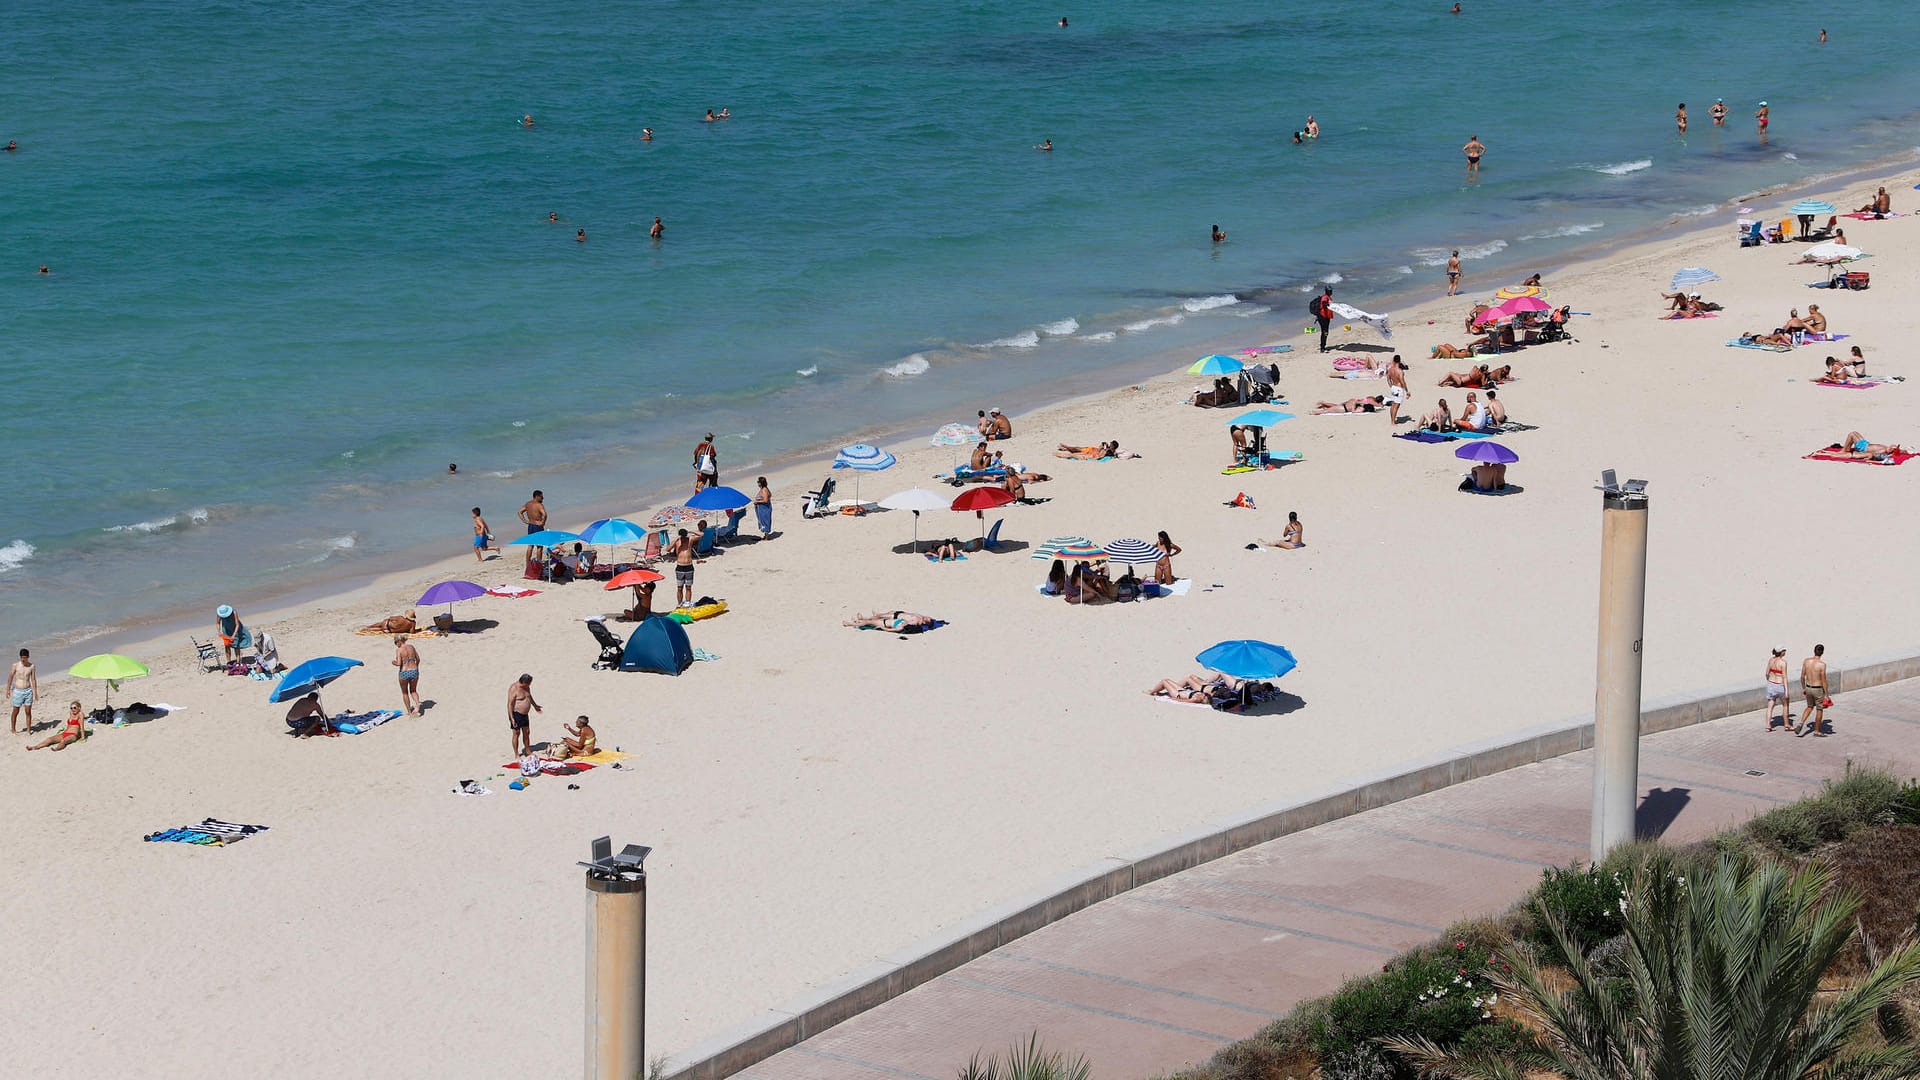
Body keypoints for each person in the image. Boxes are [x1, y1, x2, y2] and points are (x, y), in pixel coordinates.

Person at [507, 674, 542, 756]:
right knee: (517, 733)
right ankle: (516, 754)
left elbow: (529, 697)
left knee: (527, 732)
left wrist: (535, 706)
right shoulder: (514, 688)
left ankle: (528, 750)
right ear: (523, 682)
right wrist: (512, 718)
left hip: (525, 714)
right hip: (516, 714)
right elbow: (510, 704)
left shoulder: (526, 687)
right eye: (529, 683)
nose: (530, 685)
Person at [1796, 645, 1828, 736]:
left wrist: (1803, 688)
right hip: (1817, 689)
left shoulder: (1806, 661)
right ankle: (1817, 731)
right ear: (1822, 652)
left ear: (1814, 651)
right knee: (1819, 709)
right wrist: (1826, 694)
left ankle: (1801, 723)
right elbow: (1824, 681)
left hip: (1808, 687)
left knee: (1809, 707)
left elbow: (1802, 676)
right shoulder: (1822, 665)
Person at [1765, 648, 1793, 731]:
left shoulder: (1771, 660)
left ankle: (1768, 725)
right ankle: (1787, 725)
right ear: (1781, 652)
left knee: (1770, 706)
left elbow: (1767, 673)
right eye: (1784, 650)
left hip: (1771, 684)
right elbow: (1784, 677)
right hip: (1780, 685)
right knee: (1785, 705)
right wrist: (1787, 691)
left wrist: (1769, 681)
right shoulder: (1783, 663)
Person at [394, 634, 422, 716]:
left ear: (399, 641)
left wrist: (394, 662)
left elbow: (399, 663)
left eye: (395, 642)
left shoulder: (399, 650)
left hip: (404, 672)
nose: (396, 644)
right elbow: (418, 659)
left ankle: (409, 712)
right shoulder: (411, 647)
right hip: (414, 671)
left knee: (405, 693)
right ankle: (417, 704)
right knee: (413, 690)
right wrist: (416, 666)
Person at [9, 648, 36, 734]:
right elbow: (10, 677)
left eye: (25, 657)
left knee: (28, 711)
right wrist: (8, 690)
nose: (23, 659)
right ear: (20, 657)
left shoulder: (31, 666)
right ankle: (13, 729)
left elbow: (33, 679)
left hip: (28, 691)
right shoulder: (15, 665)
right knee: (15, 710)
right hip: (18, 691)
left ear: (28, 657)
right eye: (22, 658)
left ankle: (28, 730)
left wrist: (35, 692)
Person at [669, 528, 697, 607]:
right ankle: (679, 603)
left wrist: (691, 531)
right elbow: (667, 549)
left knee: (688, 587)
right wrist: (675, 541)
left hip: (689, 566)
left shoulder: (690, 540)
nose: (684, 538)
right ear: (680, 536)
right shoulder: (677, 542)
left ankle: (687, 603)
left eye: (685, 536)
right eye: (683, 536)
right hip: (680, 567)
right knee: (679, 588)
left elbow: (701, 534)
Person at [843, 610, 938, 632]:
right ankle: (862, 619)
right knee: (877, 618)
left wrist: (883, 628)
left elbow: (895, 630)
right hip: (897, 617)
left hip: (891, 622)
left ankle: (851, 623)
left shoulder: (916, 623)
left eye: (928, 620)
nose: (928, 618)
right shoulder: (921, 617)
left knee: (872, 622)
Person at [1838, 432, 1909, 459]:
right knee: (1854, 432)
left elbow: (1873, 454)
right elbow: (1900, 451)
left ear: (1891, 450)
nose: (1890, 446)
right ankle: (1847, 448)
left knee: (1851, 434)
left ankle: (1844, 450)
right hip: (1865, 443)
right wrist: (1902, 451)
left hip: (1863, 447)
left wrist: (1862, 454)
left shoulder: (1883, 451)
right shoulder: (1887, 449)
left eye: (1891, 447)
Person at [1384, 356, 1410, 424]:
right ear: (1399, 361)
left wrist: (1391, 386)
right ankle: (1393, 422)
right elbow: (1402, 382)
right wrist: (1407, 391)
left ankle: (1392, 420)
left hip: (1393, 388)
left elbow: (1388, 378)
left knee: (1393, 405)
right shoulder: (1400, 371)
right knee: (1396, 406)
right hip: (1399, 389)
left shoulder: (1390, 369)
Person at [1311, 395, 1383, 414]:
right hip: (1344, 408)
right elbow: (1353, 411)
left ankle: (1324, 403)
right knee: (1326, 411)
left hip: (1348, 403)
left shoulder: (1369, 398)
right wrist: (1355, 404)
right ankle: (1313, 412)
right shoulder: (1362, 408)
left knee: (1335, 406)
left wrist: (1355, 402)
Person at [1312, 286, 1333, 353]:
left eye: (1331, 291)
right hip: (1322, 317)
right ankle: (1322, 348)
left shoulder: (1329, 297)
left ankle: (1323, 346)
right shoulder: (1325, 297)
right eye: (1330, 291)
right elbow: (1324, 303)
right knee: (1325, 332)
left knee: (1325, 332)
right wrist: (1326, 304)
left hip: (1326, 317)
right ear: (1327, 291)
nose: (1331, 292)